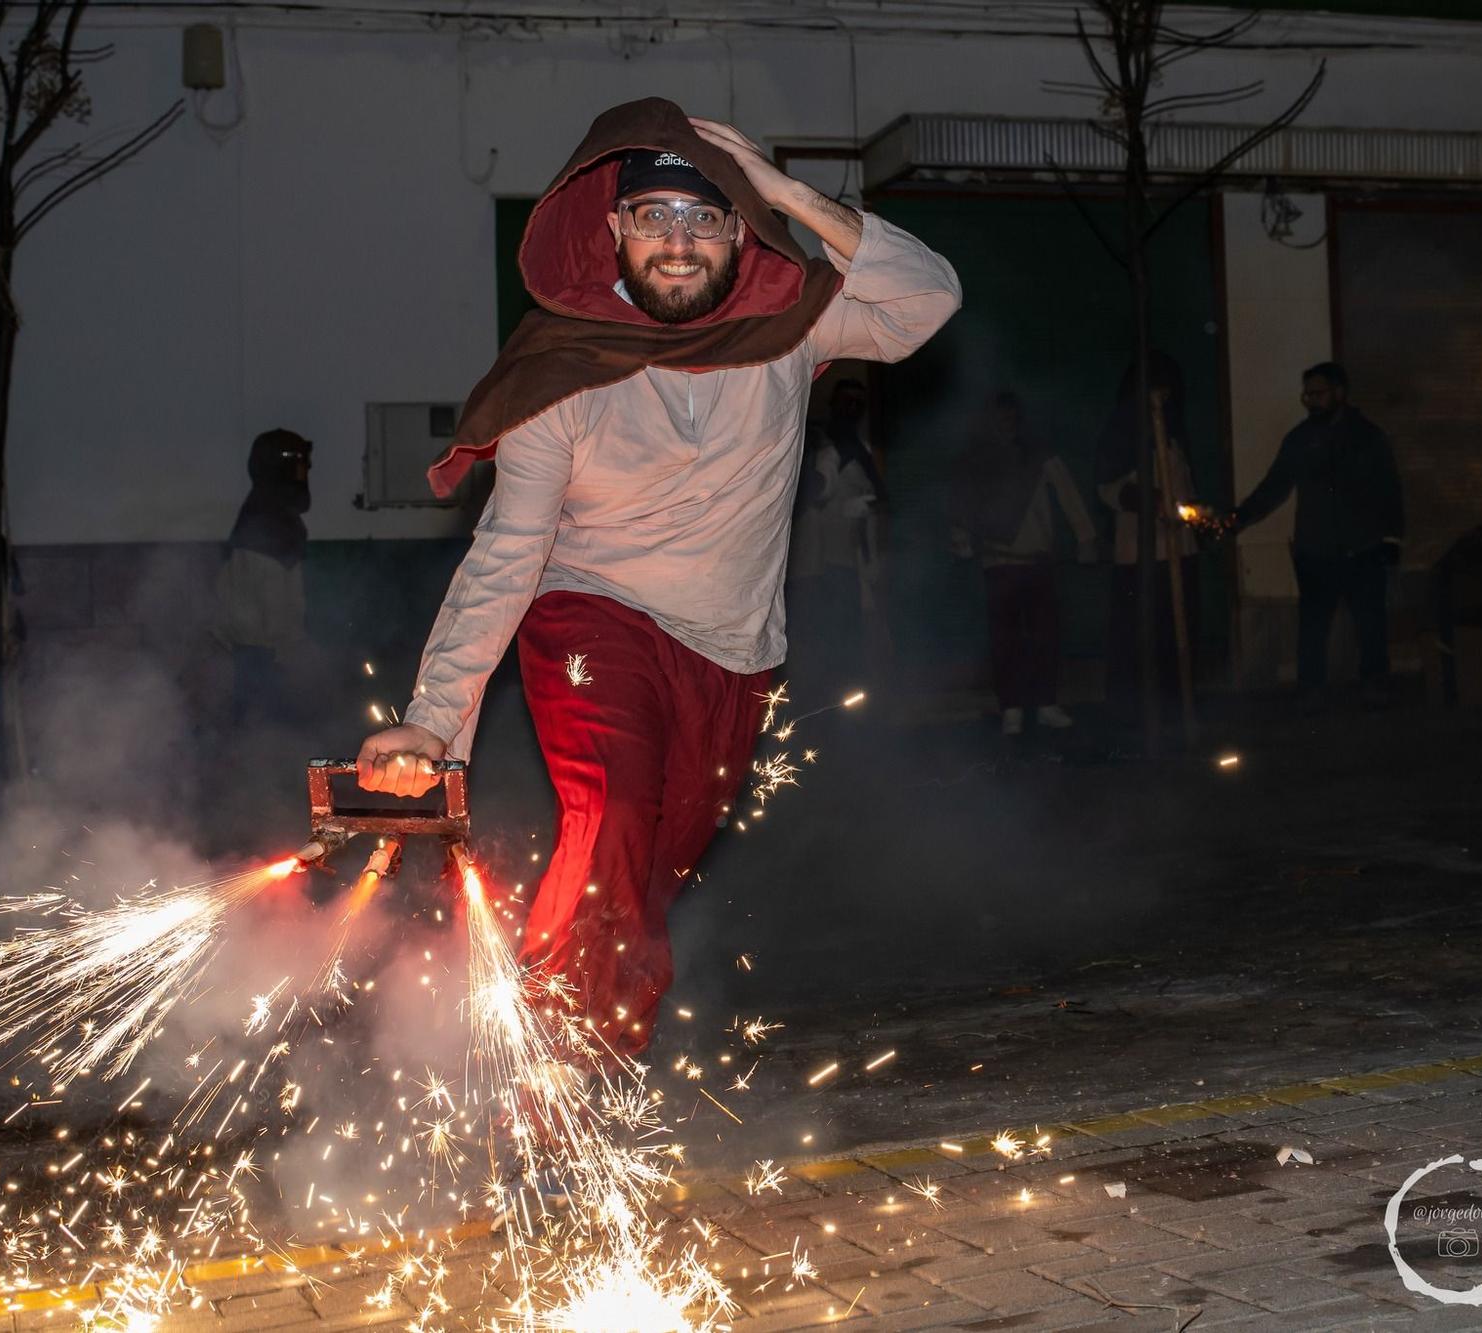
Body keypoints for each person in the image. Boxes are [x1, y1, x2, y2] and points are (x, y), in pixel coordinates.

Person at [355, 98, 961, 1059]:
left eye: (703, 218)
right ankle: (546, 1086)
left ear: (735, 229)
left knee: (643, 882)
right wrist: (433, 720)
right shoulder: (559, 371)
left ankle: (589, 1069)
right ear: (613, 231)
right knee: (613, 818)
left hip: (734, 655)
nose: (677, 243)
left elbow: (927, 296)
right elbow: (506, 553)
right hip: (593, 620)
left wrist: (787, 192)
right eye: (653, 218)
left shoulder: (789, 323)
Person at [1228, 361, 1404, 705]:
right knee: (1312, 626)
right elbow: (1274, 486)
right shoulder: (1300, 439)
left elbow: (1389, 490)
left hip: (1362, 547)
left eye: (1318, 394)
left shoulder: (1368, 437)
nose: (1310, 401)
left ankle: (1376, 684)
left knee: (1370, 624)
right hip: (1316, 548)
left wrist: (1392, 538)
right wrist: (1239, 518)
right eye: (1306, 395)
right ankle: (1310, 690)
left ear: (1339, 393)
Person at [950, 393, 1097, 735]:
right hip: (998, 563)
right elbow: (961, 504)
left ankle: (1046, 703)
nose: (1005, 423)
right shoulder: (978, 461)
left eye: (1010, 416)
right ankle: (1012, 708)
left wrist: (1086, 537)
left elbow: (1069, 495)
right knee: (1006, 641)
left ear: (1018, 420)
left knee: (1044, 636)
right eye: (998, 417)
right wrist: (961, 542)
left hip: (1037, 561)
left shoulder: (1039, 455)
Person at [1095, 354, 1201, 723]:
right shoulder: (1123, 431)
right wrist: (1148, 498)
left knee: (1175, 636)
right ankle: (1134, 716)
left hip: (1178, 550)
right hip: (1138, 556)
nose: (1164, 398)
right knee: (1138, 639)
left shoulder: (1175, 431)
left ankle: (1176, 711)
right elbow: (1107, 487)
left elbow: (1185, 484)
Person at [787, 377, 890, 692]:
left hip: (850, 562)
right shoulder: (818, 448)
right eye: (846, 402)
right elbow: (812, 494)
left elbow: (879, 501)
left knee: (850, 639)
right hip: (816, 563)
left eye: (859, 404)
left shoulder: (861, 451)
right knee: (821, 639)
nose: (852, 409)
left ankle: (847, 708)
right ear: (833, 405)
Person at [214, 429, 313, 728]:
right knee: (263, 732)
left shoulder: (276, 519)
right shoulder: (265, 525)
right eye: (298, 467)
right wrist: (290, 653)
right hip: (260, 658)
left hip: (266, 656)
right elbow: (262, 615)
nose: (303, 475)